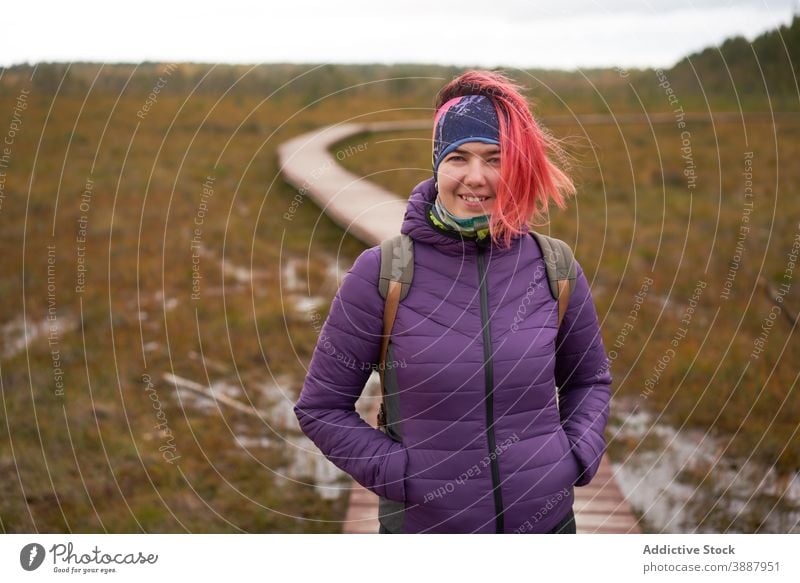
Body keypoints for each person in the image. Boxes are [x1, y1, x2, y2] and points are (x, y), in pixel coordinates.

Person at [294, 70, 612, 534]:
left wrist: (574, 457)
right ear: (437, 165)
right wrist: (401, 475)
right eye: (458, 157)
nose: (476, 177)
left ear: (516, 167)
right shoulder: (382, 273)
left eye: (494, 158)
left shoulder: (554, 266)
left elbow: (589, 379)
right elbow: (321, 407)